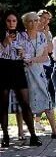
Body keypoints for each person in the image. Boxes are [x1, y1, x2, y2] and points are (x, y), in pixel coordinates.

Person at [20, 12, 56, 140]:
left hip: (38, 71)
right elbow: (17, 54)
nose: (34, 23)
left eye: (35, 20)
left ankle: (55, 131)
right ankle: (25, 133)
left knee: (46, 99)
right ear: (25, 23)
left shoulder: (42, 37)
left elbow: (46, 56)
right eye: (31, 21)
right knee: (25, 101)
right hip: (24, 72)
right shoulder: (21, 37)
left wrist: (32, 59)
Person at [1, 12, 40, 147]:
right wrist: (5, 43)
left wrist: (24, 54)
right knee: (3, 104)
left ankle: (33, 135)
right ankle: (5, 136)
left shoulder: (22, 36)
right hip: (4, 68)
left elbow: (29, 54)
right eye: (8, 21)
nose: (11, 23)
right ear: (5, 22)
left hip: (18, 68)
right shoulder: (1, 35)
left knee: (25, 102)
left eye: (14, 21)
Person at [37, 9, 56, 105]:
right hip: (32, 64)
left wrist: (45, 35)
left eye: (48, 19)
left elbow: (50, 50)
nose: (45, 20)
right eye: (44, 18)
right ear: (38, 17)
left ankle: (39, 116)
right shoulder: (30, 30)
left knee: (43, 90)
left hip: (44, 64)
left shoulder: (48, 33)